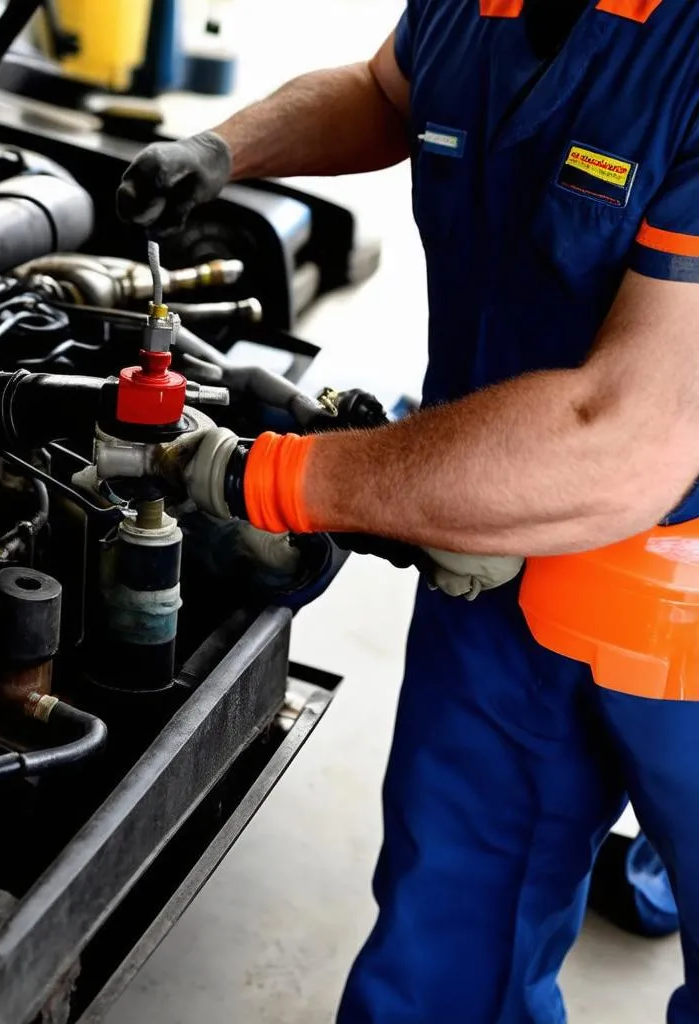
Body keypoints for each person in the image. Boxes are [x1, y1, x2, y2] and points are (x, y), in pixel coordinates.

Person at [114, 1, 699, 1022]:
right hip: (493, 546)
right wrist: (222, 148)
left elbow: (620, 434)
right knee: (448, 947)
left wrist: (275, 475)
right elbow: (389, 93)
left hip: (674, 589)